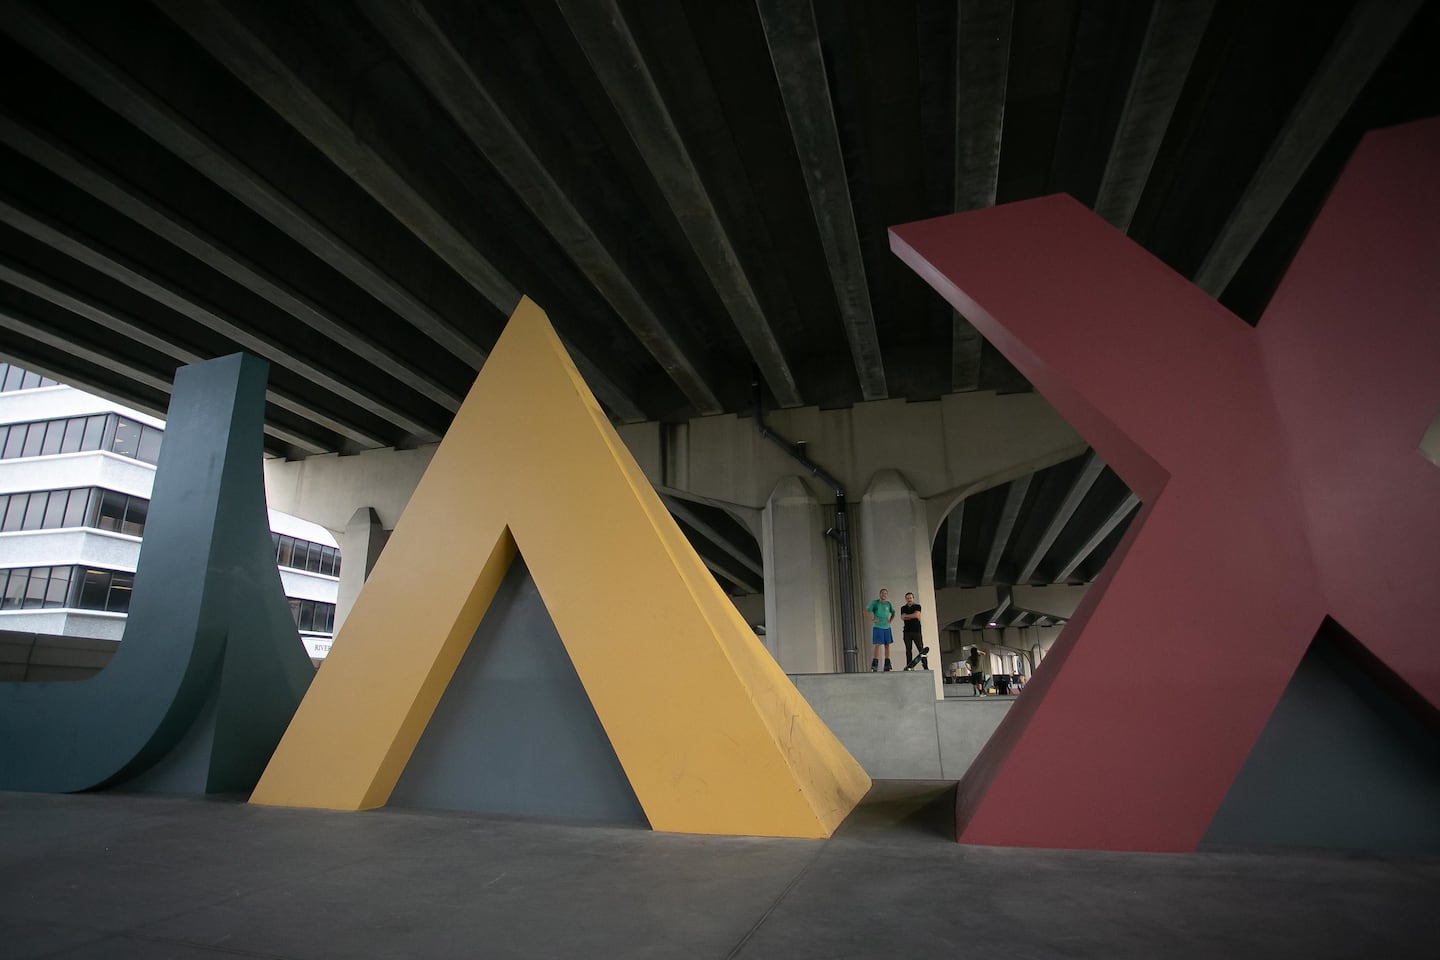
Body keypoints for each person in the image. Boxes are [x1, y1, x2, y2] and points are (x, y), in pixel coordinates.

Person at [865, 588, 896, 672]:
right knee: (877, 644)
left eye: (885, 593)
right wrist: (872, 620)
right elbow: (866, 611)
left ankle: (887, 663)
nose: (884, 595)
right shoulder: (875, 603)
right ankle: (875, 664)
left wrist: (890, 620)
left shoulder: (888, 604)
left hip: (886, 627)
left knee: (887, 644)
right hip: (878, 627)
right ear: (880, 594)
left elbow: (893, 612)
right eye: (882, 593)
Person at [899, 591, 928, 670]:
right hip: (907, 632)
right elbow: (902, 617)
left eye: (910, 598)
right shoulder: (903, 608)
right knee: (908, 650)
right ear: (906, 599)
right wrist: (913, 616)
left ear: (913, 598)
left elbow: (917, 615)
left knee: (921, 649)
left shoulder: (917, 606)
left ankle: (925, 666)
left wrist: (907, 616)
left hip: (916, 631)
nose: (909, 599)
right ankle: (909, 665)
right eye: (908, 598)